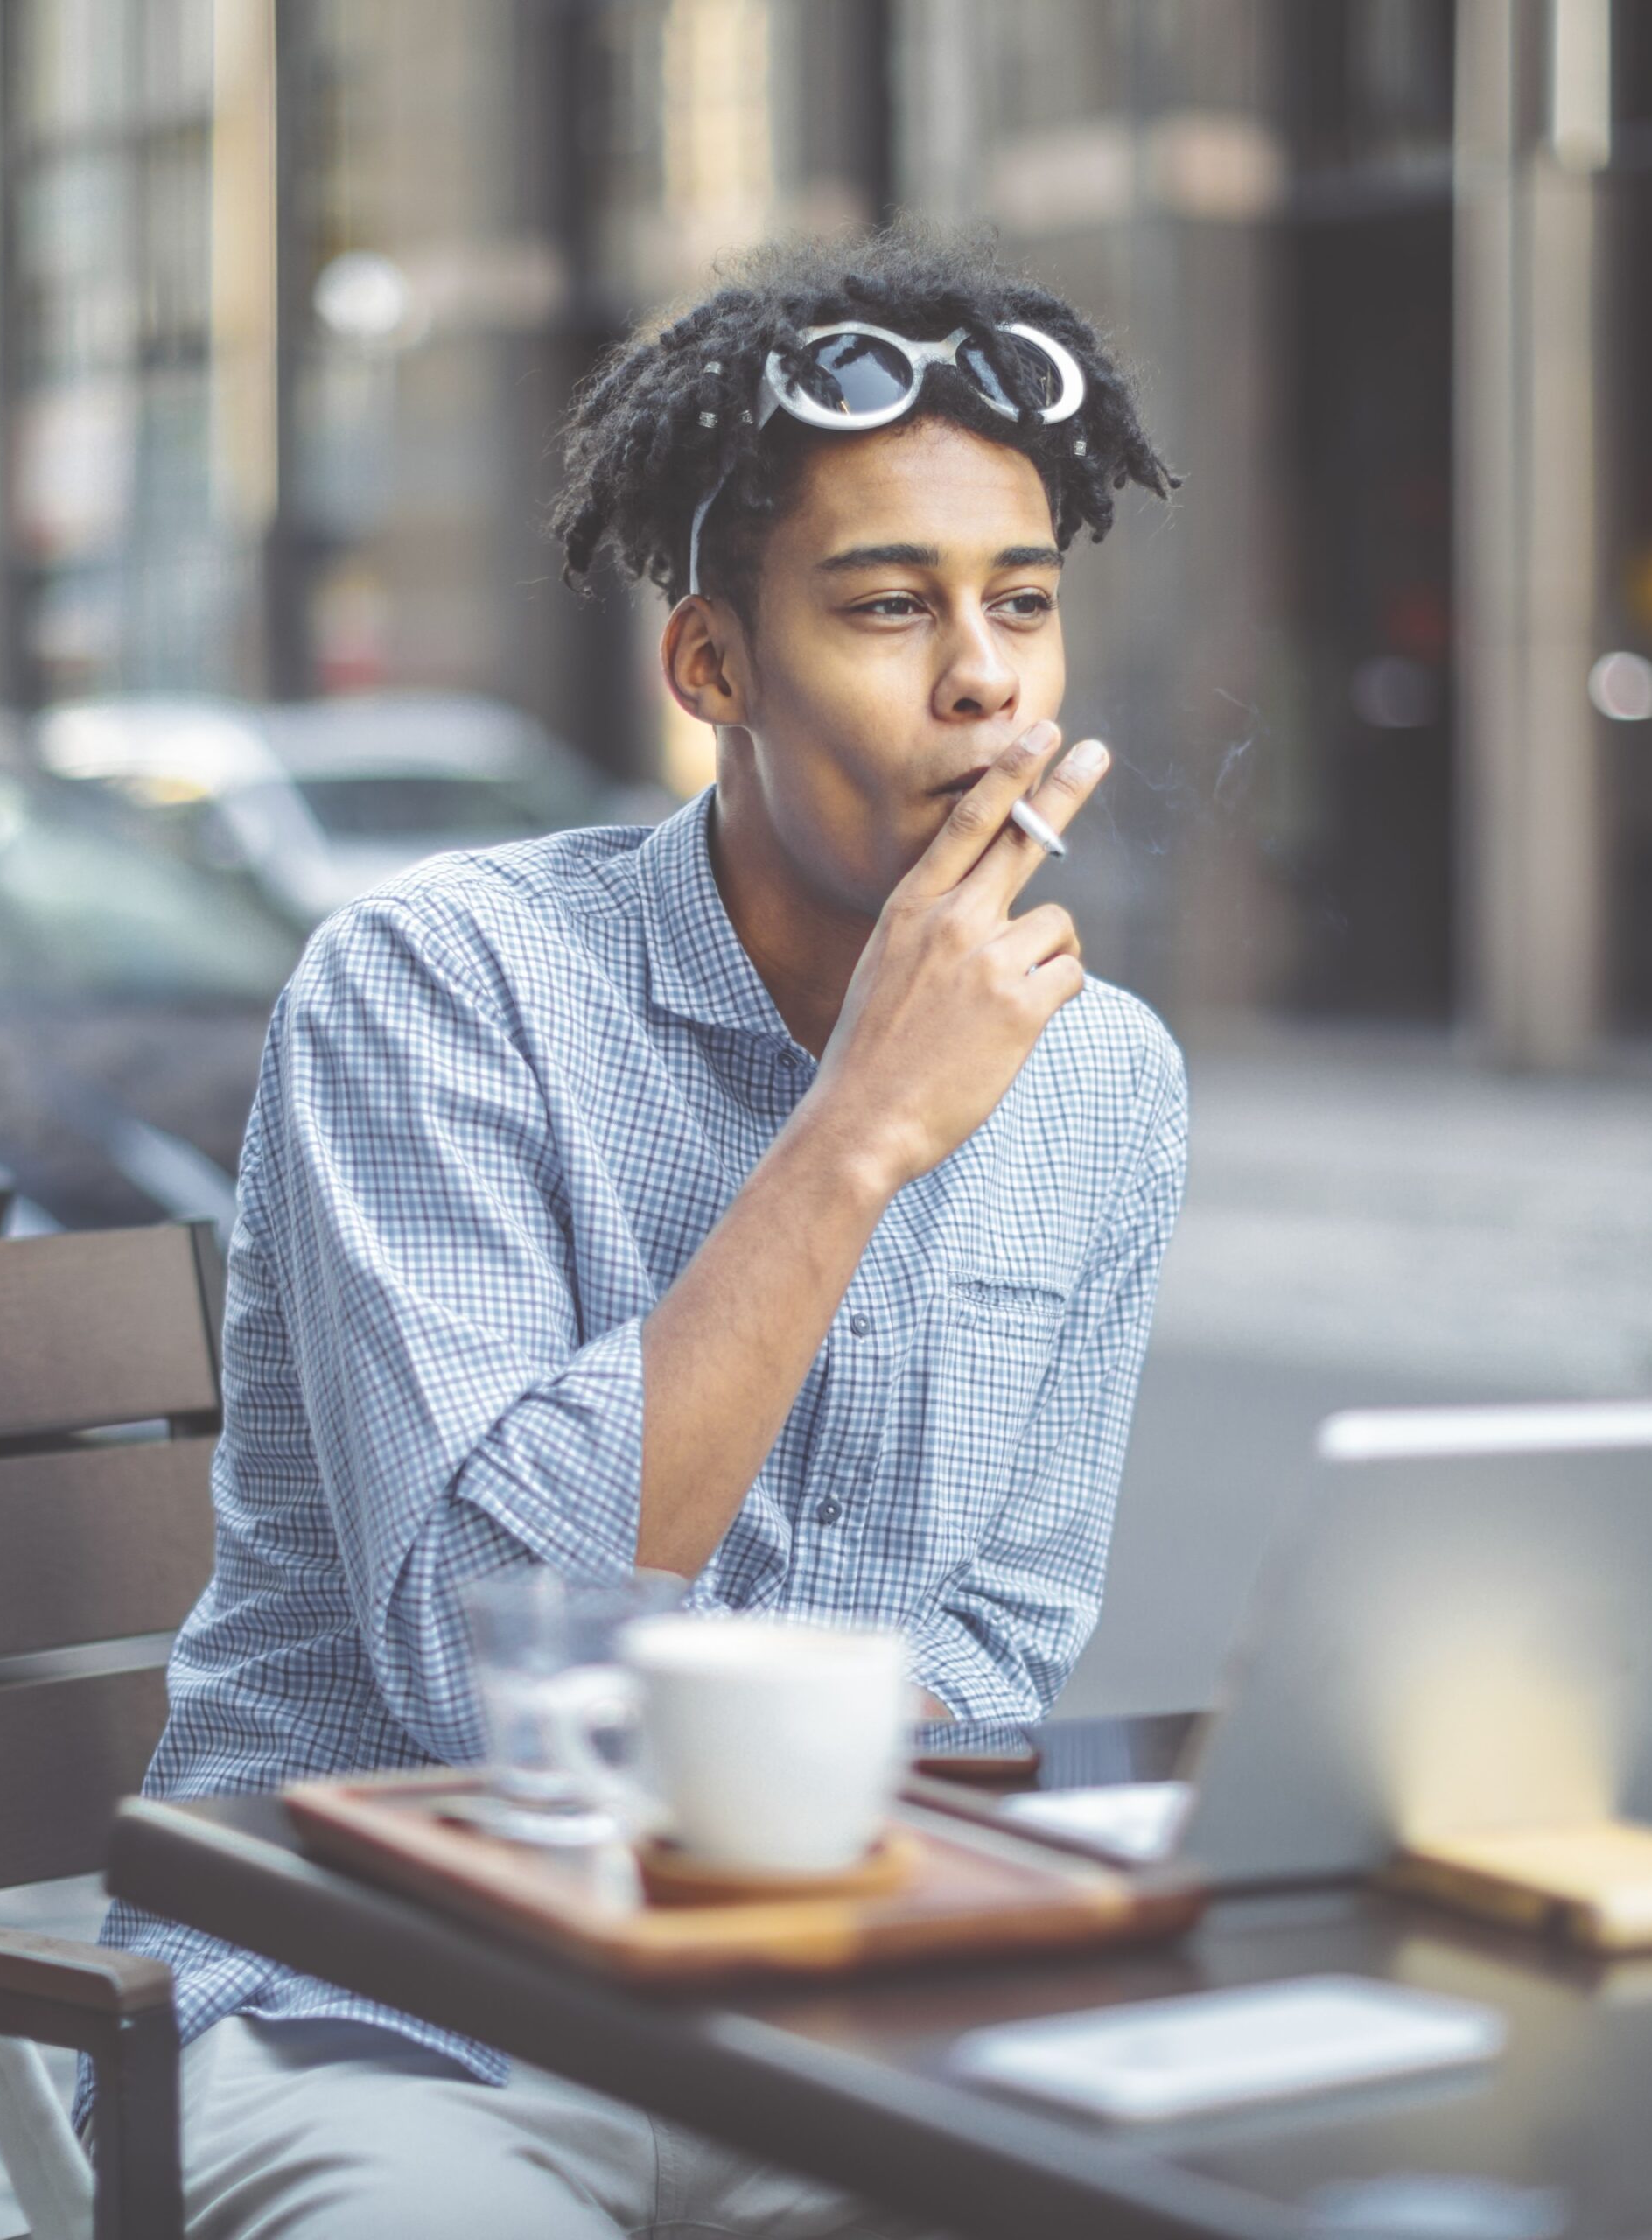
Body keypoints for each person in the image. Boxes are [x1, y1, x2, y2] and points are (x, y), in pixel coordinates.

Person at [94, 227, 1187, 2237]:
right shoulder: (437, 986)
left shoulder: (1104, 1078)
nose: (981, 677)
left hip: (833, 2007)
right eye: (886, 606)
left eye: (1020, 604)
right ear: (711, 665)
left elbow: (1002, 1643)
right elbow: (478, 1659)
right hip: (388, 2003)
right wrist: (856, 1126)